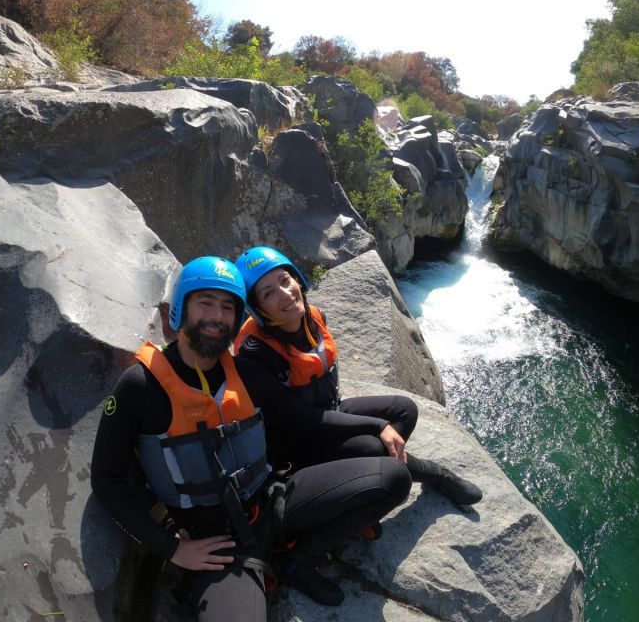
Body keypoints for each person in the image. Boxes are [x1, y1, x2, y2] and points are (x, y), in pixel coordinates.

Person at [91, 256, 412, 621]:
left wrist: (376, 427)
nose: (217, 316)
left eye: (228, 307)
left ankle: (295, 560)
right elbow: (107, 479)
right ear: (180, 309)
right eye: (205, 303)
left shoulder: (245, 372)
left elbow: (306, 420)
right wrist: (172, 549)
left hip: (275, 502)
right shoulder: (140, 387)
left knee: (393, 478)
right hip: (219, 544)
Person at [233, 246, 482, 509]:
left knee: (405, 410)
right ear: (258, 309)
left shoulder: (313, 318)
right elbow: (306, 421)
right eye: (268, 293)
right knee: (373, 446)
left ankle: (371, 478)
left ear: (297, 279)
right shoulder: (256, 355)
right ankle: (435, 475)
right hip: (298, 442)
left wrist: (377, 426)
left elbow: (324, 404)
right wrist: (377, 426)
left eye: (285, 280)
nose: (285, 294)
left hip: (327, 411)